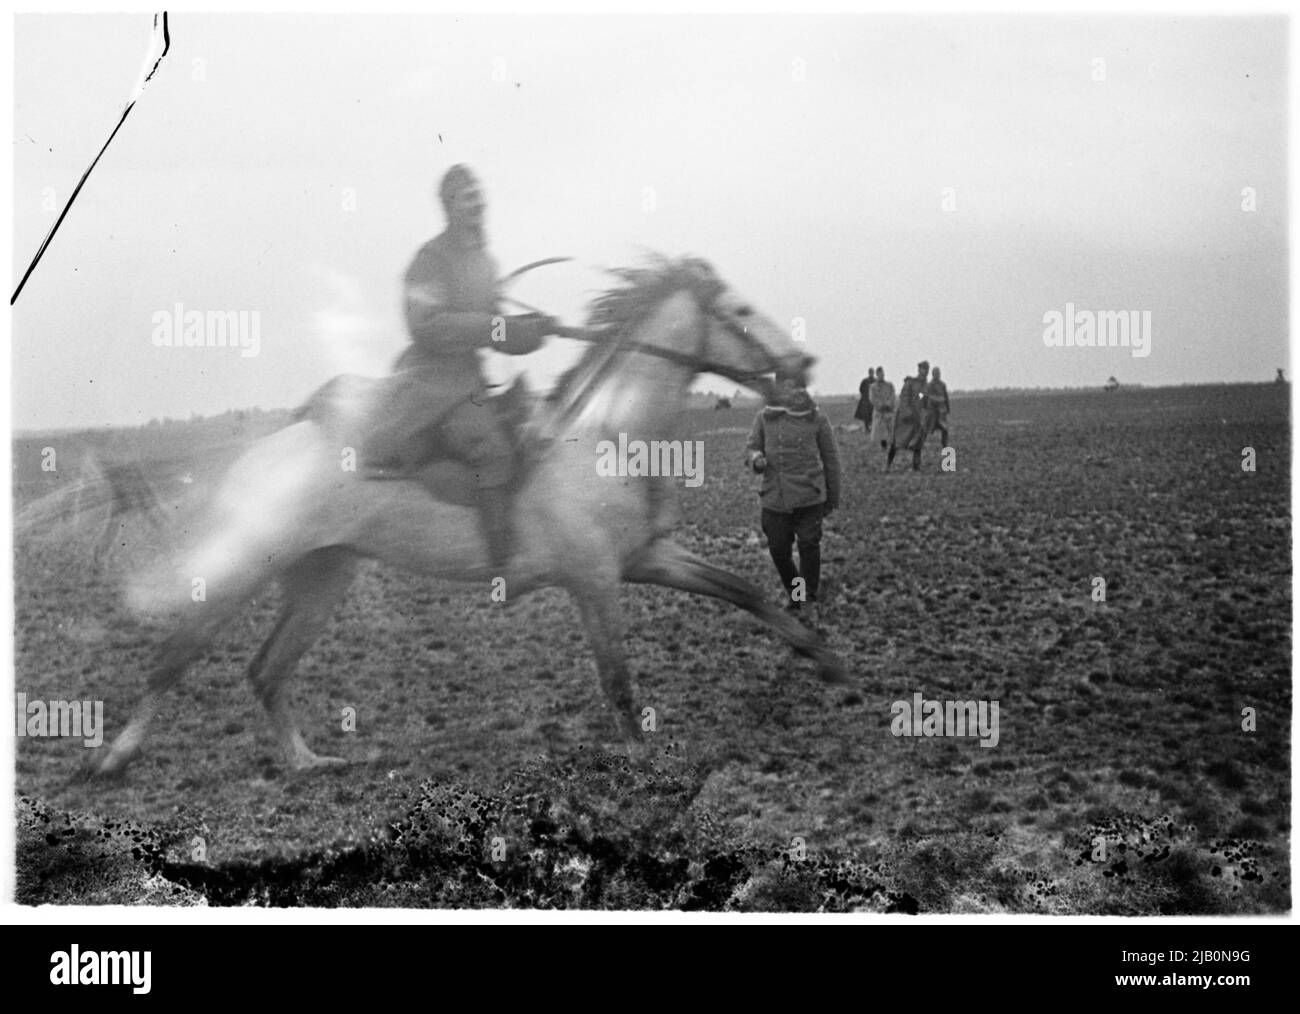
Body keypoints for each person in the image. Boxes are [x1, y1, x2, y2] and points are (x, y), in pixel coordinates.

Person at [366, 164, 560, 569]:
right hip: (432, 385)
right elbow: (426, 325)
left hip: (470, 380)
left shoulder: (486, 262)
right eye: (468, 197)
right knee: (494, 452)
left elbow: (495, 328)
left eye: (480, 194)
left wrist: (534, 330)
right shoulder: (429, 259)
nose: (479, 203)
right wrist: (500, 328)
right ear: (449, 206)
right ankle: (500, 561)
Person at [745, 374, 842, 615]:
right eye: (786, 386)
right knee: (778, 549)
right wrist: (756, 459)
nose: (793, 391)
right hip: (775, 497)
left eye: (797, 386)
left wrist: (832, 496)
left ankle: (806, 601)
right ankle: (796, 593)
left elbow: (831, 460)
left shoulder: (817, 418)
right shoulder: (764, 417)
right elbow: (751, 447)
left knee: (809, 545)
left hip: (809, 495)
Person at [888, 360, 929, 472]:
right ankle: (888, 465)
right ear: (919, 370)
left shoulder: (924, 385)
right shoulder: (910, 383)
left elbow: (922, 398)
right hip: (904, 418)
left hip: (917, 418)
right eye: (922, 369)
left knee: (918, 443)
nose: (924, 372)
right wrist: (908, 412)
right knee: (897, 442)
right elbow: (904, 398)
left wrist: (923, 412)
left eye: (926, 370)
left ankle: (916, 466)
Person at [868, 365, 895, 452]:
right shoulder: (873, 387)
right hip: (879, 412)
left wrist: (888, 404)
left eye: (882, 374)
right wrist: (880, 405)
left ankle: (893, 446)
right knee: (881, 431)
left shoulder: (889, 385)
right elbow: (872, 398)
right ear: (877, 375)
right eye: (879, 374)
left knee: (891, 429)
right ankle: (883, 446)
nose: (881, 375)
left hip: (888, 411)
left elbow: (892, 395)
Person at [925, 365, 950, 447]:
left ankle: (945, 444)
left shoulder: (943, 385)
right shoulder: (929, 385)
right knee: (928, 429)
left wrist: (947, 408)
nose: (938, 374)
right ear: (933, 374)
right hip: (932, 412)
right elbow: (927, 396)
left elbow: (945, 397)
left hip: (941, 412)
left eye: (939, 373)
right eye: (936, 373)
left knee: (944, 429)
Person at [853, 369, 875, 438]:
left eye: (872, 372)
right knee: (865, 416)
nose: (871, 374)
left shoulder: (876, 381)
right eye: (870, 372)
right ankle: (866, 428)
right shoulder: (865, 381)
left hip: (873, 401)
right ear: (869, 373)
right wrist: (865, 396)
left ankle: (872, 429)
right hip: (866, 401)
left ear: (873, 373)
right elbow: (861, 389)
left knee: (873, 416)